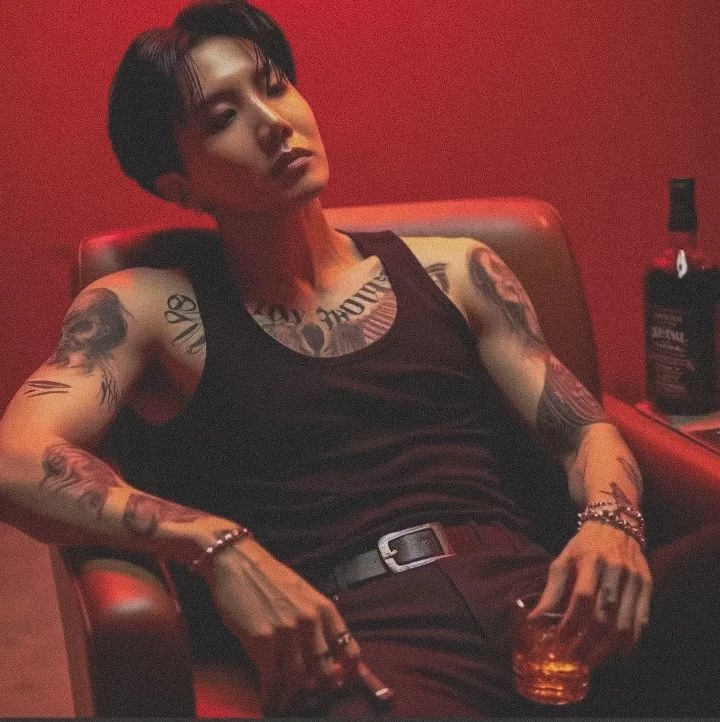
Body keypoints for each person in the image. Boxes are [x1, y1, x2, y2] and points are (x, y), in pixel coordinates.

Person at [0, 0, 717, 716]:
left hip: (547, 607)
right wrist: (217, 545)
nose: (272, 121)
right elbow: (17, 460)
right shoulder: (147, 305)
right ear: (179, 185)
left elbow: (581, 429)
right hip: (362, 645)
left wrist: (610, 524)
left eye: (274, 85)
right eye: (222, 117)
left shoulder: (457, 269)